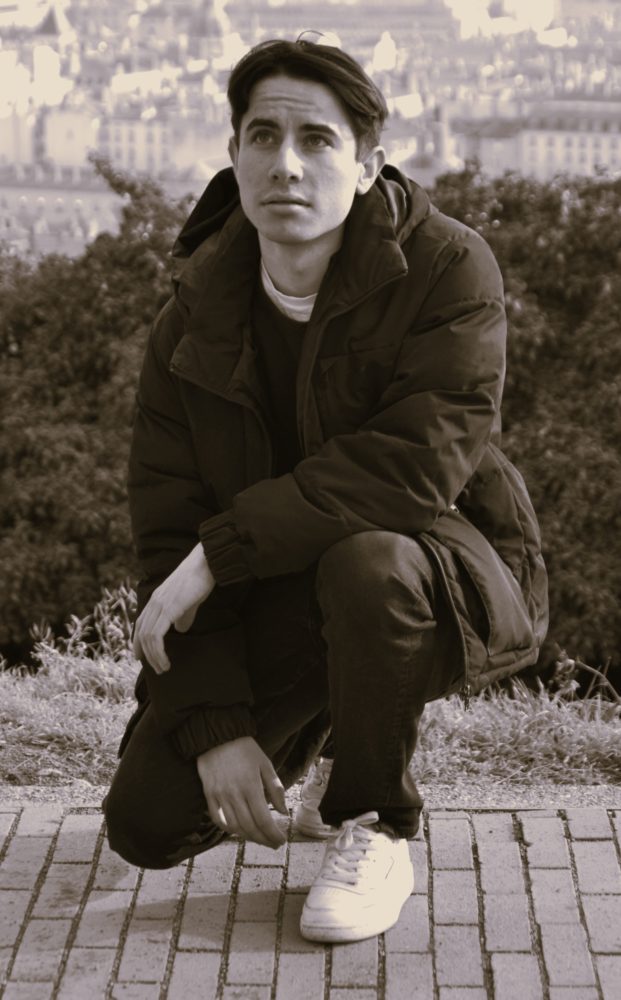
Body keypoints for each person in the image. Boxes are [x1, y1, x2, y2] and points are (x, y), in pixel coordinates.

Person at [104, 33, 548, 943]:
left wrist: (220, 554)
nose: (286, 165)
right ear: (233, 155)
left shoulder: (447, 268)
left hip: (439, 570)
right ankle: (329, 732)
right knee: (147, 823)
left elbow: (413, 467)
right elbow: (169, 525)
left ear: (367, 163)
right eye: (263, 137)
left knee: (366, 563)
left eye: (317, 140)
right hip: (277, 587)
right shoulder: (194, 309)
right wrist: (218, 725)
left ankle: (375, 819)